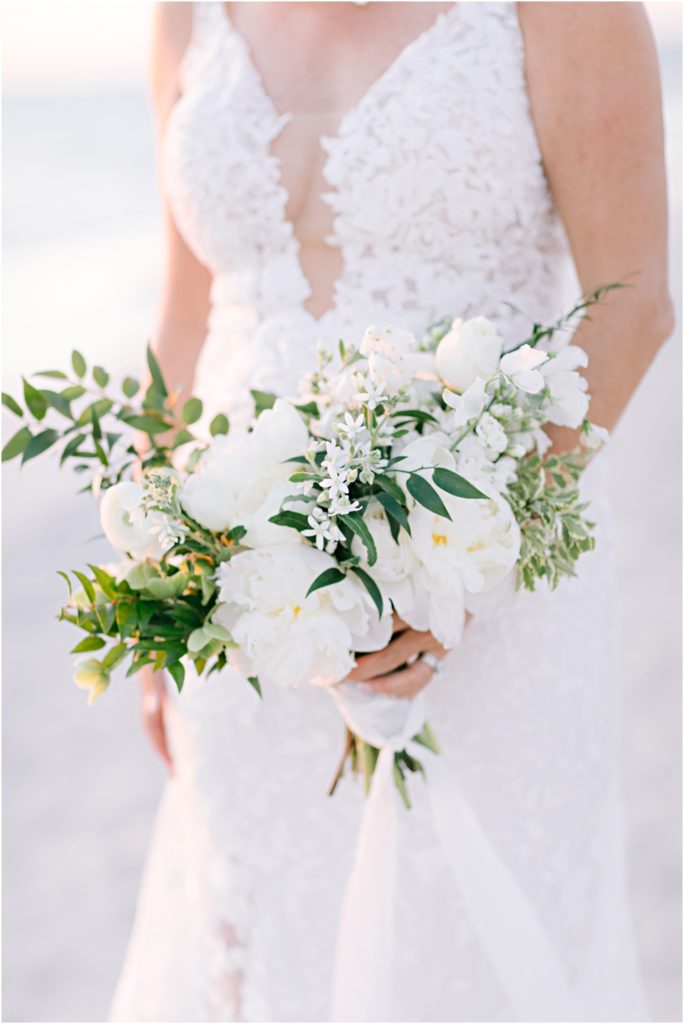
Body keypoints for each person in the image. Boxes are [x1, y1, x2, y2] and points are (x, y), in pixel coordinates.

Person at [110, 3, 673, 1020]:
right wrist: (156, 584)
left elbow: (632, 300)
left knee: (478, 956)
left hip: (482, 593)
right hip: (244, 608)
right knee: (261, 955)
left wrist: (465, 566)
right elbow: (191, 314)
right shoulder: (189, 10)